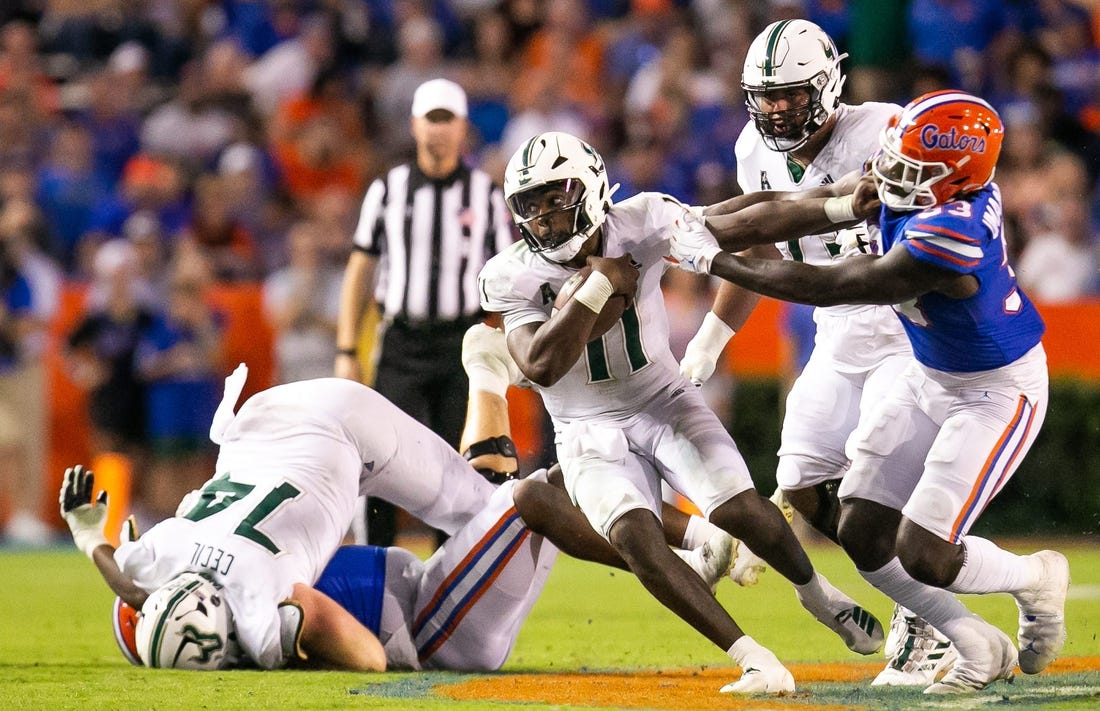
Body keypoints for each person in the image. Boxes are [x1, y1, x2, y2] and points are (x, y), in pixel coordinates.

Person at [666, 90, 1071, 694]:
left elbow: (830, 285)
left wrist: (712, 260)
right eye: (896, 161)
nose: (894, 177)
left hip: (995, 391)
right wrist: (686, 223)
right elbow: (776, 208)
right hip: (931, 375)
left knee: (924, 550)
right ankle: (971, 639)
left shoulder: (951, 232)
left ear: (956, 177)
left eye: (915, 170)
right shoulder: (929, 186)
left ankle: (1034, 576)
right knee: (860, 528)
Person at [63, 331, 734, 672]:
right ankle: (486, 380)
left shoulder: (254, 612)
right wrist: (88, 535)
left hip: (339, 440)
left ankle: (692, 540)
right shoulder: (161, 551)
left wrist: (281, 648)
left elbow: (371, 657)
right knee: (481, 506)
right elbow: (121, 570)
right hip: (276, 417)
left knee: (509, 506)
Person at [479, 130, 884, 695]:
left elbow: (745, 220)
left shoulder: (641, 219)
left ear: (592, 186)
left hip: (661, 396)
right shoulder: (508, 273)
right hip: (585, 427)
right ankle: (754, 659)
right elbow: (541, 364)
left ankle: (817, 592)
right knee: (635, 538)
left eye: (555, 197)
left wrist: (838, 203)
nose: (544, 217)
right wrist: (599, 286)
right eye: (531, 205)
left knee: (741, 509)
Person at [678, 18, 954, 686]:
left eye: (790, 95)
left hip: (903, 324)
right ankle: (919, 593)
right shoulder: (754, 149)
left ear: (828, 86)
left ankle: (926, 622)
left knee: (872, 475)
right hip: (836, 330)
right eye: (766, 96)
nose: (776, 109)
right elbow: (762, 248)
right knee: (800, 483)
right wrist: (711, 339)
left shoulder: (888, 127)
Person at [335, 77, 515, 548]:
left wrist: (507, 339)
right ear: (415, 125)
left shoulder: (486, 194)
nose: (438, 130)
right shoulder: (389, 190)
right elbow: (360, 269)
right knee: (379, 458)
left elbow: (509, 272)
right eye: (430, 119)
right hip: (401, 341)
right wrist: (347, 346)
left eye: (446, 119)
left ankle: (447, 574)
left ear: (462, 128)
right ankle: (374, 561)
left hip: (461, 341)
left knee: (457, 464)